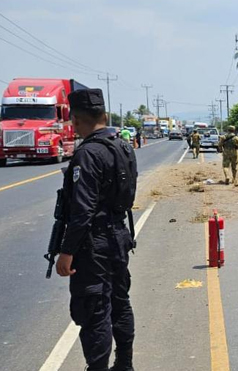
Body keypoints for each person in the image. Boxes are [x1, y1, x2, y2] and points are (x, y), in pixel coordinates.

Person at [56, 89, 137, 371]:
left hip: (94, 245)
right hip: (119, 235)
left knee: (94, 310)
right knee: (120, 301)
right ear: (104, 115)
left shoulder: (88, 154)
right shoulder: (123, 146)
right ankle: (125, 364)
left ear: (75, 120)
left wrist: (66, 252)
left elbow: (82, 211)